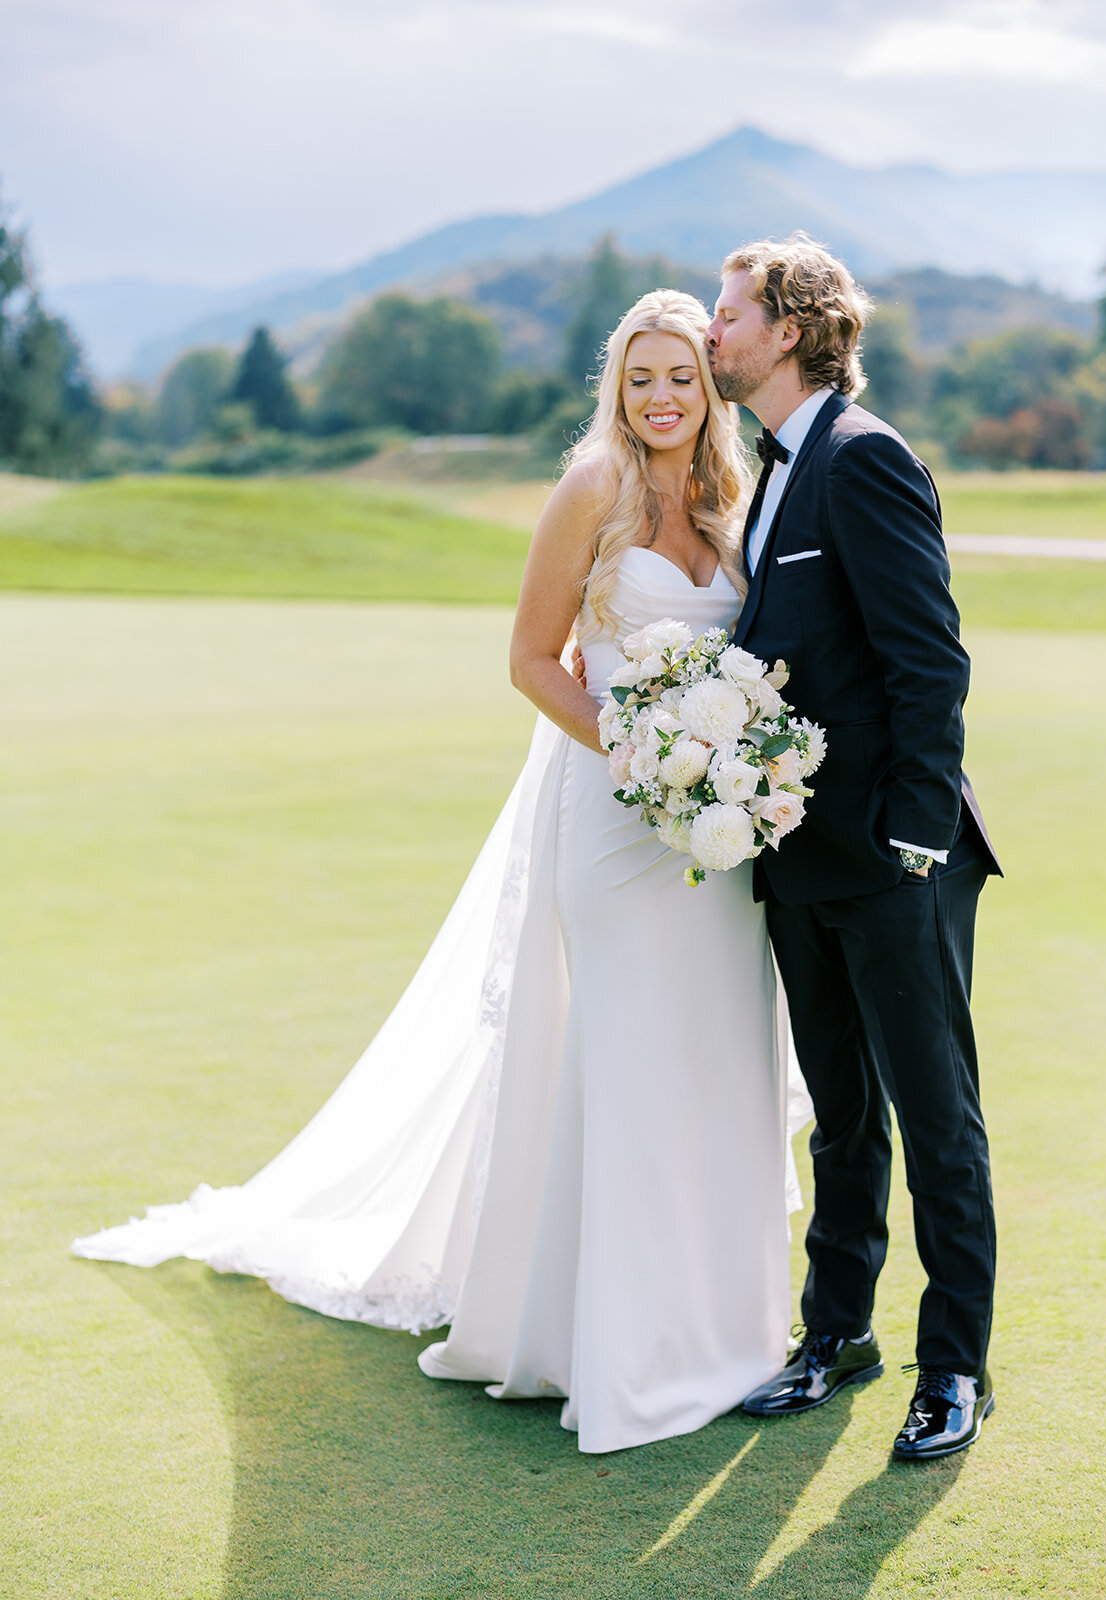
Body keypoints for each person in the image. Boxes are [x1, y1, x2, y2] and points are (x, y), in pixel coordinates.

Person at [74, 290, 810, 1456]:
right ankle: (611, 1346)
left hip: (713, 847)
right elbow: (530, 660)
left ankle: (726, 1331)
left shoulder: (736, 495)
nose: (662, 397)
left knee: (716, 1060)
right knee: (621, 1061)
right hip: (616, 831)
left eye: (681, 375)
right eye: (640, 378)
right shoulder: (591, 491)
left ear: (708, 383)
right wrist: (642, 749)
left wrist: (726, 768)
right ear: (616, 389)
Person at [706, 235, 1003, 1461]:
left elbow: (930, 662)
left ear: (790, 328)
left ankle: (956, 1369)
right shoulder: (773, 467)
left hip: (895, 860)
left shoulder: (864, 458)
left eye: (728, 315)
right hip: (800, 856)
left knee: (937, 1120)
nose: (713, 333)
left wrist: (915, 840)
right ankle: (839, 1335)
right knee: (837, 1113)